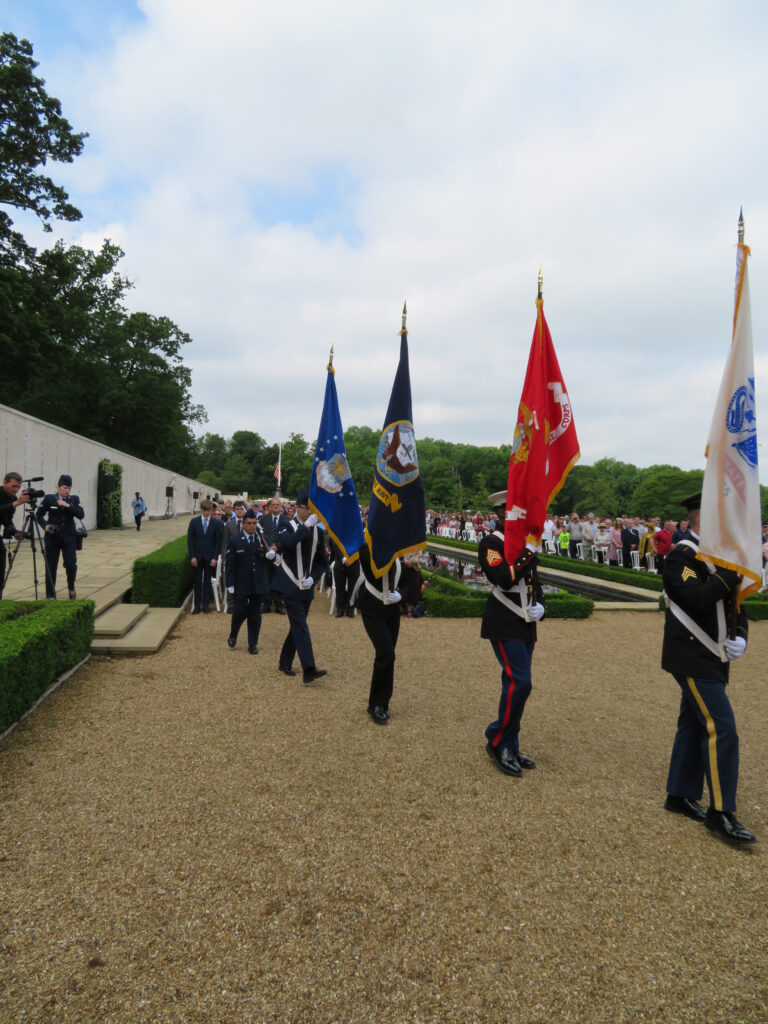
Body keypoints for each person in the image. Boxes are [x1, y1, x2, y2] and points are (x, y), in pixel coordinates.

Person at [661, 494, 755, 845]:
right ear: (704, 522)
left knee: (693, 723)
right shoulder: (681, 555)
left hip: (713, 654)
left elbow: (735, 607)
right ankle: (721, 812)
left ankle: (680, 794)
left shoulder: (718, 559)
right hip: (690, 655)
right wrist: (731, 571)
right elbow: (698, 597)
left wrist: (741, 636)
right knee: (722, 727)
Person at [479, 490, 545, 777]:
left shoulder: (523, 544)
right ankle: (498, 739)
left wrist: (542, 605)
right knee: (521, 682)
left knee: (515, 684)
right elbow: (504, 577)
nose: (520, 517)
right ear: (501, 515)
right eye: (514, 513)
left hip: (525, 624)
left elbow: (534, 581)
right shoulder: (491, 543)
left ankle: (510, 744)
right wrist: (527, 553)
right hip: (504, 621)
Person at [270, 489, 329, 684]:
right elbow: (287, 543)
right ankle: (309, 669)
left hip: (306, 586)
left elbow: (322, 561)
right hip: (289, 583)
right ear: (297, 507)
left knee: (297, 626)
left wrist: (313, 578)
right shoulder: (287, 524)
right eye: (306, 508)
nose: (310, 512)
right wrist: (305, 527)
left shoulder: (318, 532)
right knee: (301, 625)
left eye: (313, 510)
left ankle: (284, 661)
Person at [352, 541, 403, 724]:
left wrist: (400, 594)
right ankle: (377, 705)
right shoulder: (367, 548)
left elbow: (403, 577)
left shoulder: (398, 548)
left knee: (387, 656)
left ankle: (381, 702)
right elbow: (375, 565)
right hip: (372, 607)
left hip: (392, 609)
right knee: (386, 653)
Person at [225, 509, 272, 653]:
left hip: (258, 583)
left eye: (254, 523)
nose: (252, 526)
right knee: (239, 612)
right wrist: (230, 584)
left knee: (255, 615)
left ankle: (253, 644)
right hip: (241, 583)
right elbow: (230, 565)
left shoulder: (262, 540)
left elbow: (270, 558)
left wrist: (271, 555)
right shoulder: (235, 541)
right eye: (249, 523)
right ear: (243, 525)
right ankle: (234, 633)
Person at [36, 474, 85, 599]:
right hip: (52, 537)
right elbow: (39, 515)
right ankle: (50, 594)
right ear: (58, 486)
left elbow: (81, 514)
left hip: (69, 537)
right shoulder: (49, 499)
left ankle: (71, 587)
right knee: (51, 566)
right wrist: (45, 526)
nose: (67, 490)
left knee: (70, 564)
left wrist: (67, 505)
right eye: (64, 487)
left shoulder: (73, 499)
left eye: (69, 488)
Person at [187, 498, 224, 613]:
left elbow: (218, 542)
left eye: (209, 511)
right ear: (201, 509)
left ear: (212, 510)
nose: (207, 513)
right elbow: (190, 540)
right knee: (197, 582)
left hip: (209, 557)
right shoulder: (194, 522)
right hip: (197, 557)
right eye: (205, 510)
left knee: (207, 582)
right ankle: (197, 605)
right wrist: (192, 556)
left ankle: (206, 605)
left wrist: (214, 558)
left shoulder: (216, 523)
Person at [0, 471, 31, 598]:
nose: (16, 489)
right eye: (13, 486)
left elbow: (7, 520)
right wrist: (16, 503)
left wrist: (15, 532)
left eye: (18, 487)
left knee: (1, 564)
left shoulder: (13, 498)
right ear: (4, 483)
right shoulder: (13, 500)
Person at [259, 497, 286, 615]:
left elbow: (287, 537)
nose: (275, 506)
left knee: (279, 579)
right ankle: (266, 604)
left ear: (281, 506)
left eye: (277, 504)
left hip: (280, 555)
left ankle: (279, 604)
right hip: (266, 554)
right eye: (273, 504)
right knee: (266, 578)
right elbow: (260, 535)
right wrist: (268, 548)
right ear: (269, 507)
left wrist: (276, 547)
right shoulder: (263, 519)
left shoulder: (286, 520)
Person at [329, 536, 359, 618]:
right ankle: (340, 609)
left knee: (352, 588)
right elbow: (334, 543)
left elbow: (360, 543)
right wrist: (343, 558)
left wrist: (352, 558)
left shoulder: (356, 528)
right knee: (339, 587)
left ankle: (350, 609)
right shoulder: (339, 527)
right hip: (339, 563)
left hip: (354, 563)